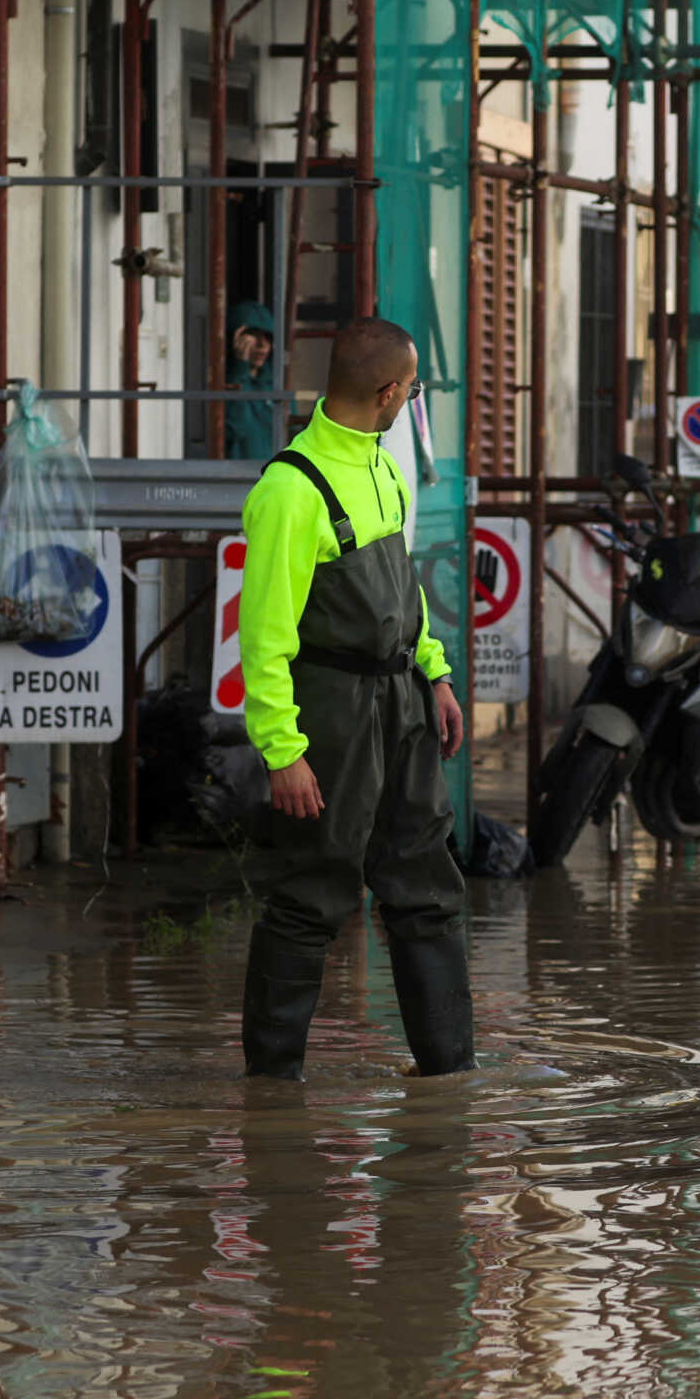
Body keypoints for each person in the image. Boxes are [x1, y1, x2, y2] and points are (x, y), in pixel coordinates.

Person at [236, 318, 474, 1081]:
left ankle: (448, 1075)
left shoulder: (384, 469)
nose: (408, 400)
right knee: (311, 894)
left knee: (427, 890)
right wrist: (285, 751)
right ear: (389, 391)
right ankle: (271, 1092)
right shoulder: (288, 491)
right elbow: (263, 639)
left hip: (403, 703)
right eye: (408, 391)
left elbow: (405, 592)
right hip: (331, 713)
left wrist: (434, 674)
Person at [222, 300, 283, 463]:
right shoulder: (224, 381)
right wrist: (240, 368)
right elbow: (234, 428)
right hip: (236, 478)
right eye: (253, 335)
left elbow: (293, 433)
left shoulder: (276, 384)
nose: (262, 345)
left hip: (275, 477)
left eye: (267, 337)